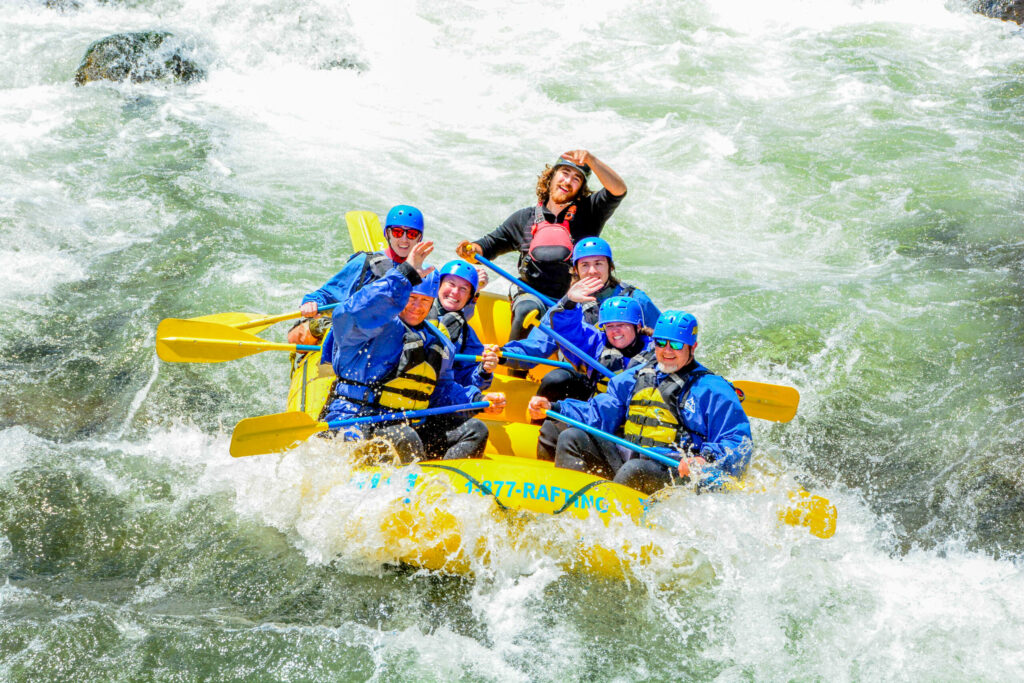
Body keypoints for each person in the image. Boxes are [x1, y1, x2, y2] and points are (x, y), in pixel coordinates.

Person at [527, 311, 753, 494]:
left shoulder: (713, 389)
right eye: (661, 343)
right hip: (631, 458)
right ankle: (571, 504)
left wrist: (705, 459)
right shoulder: (633, 377)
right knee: (572, 438)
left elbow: (737, 439)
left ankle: (612, 521)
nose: (666, 351)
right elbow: (599, 413)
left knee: (635, 470)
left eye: (675, 345)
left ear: (692, 348)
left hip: (675, 470)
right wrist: (555, 408)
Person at [322, 240, 506, 462]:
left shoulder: (439, 340)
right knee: (405, 438)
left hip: (406, 423)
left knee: (475, 430)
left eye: (425, 301)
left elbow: (441, 391)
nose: (418, 307)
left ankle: (442, 484)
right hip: (358, 418)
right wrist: (402, 275)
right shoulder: (376, 325)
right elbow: (353, 311)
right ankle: (411, 489)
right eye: (412, 299)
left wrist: (478, 398)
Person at [456, 150, 627, 344]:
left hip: (574, 299)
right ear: (551, 177)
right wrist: (471, 249)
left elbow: (618, 190)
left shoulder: (589, 213)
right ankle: (516, 368)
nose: (568, 181)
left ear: (580, 188)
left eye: (576, 178)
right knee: (527, 310)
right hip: (532, 295)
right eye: (564, 173)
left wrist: (592, 160)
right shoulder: (524, 218)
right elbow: (488, 245)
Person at [500, 236, 660, 388]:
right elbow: (538, 345)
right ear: (575, 269)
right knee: (556, 380)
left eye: (598, 264)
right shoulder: (567, 306)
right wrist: (502, 354)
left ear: (610, 267)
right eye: (585, 265)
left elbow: (663, 340)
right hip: (587, 376)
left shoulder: (636, 299)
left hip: (632, 375)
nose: (592, 271)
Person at [288, 204, 426, 345]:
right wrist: (312, 302)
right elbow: (327, 294)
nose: (404, 239)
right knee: (307, 330)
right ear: (387, 234)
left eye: (411, 234)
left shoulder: (426, 274)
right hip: (354, 336)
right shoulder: (365, 263)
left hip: (390, 341)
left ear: (419, 238)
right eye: (397, 232)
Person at [428, 259, 500, 391]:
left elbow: (469, 380)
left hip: (434, 394)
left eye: (463, 289)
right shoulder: (414, 310)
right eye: (451, 283)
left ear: (469, 298)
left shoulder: (467, 334)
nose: (455, 292)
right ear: (438, 285)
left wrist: (484, 370)